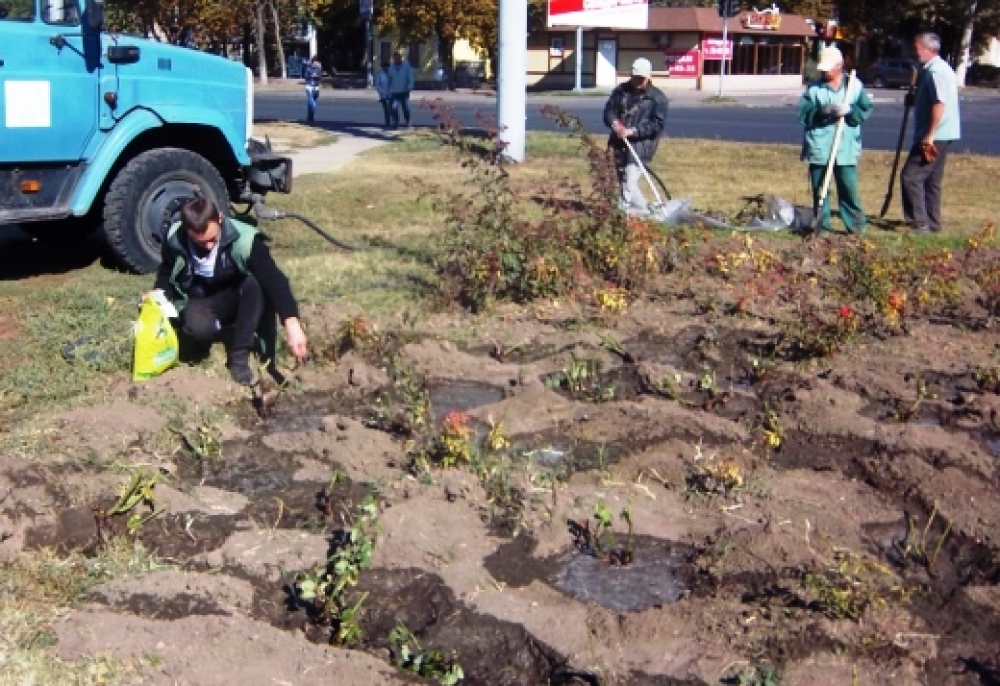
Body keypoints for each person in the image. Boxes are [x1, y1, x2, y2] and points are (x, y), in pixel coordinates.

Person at [150, 196, 308, 386]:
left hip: (238, 294)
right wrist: (158, 294)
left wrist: (291, 323)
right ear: (187, 230)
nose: (208, 246)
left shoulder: (246, 240)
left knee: (254, 284)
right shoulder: (175, 238)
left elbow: (275, 280)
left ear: (220, 218)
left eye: (212, 239)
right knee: (197, 329)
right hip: (201, 297)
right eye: (200, 242)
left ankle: (239, 354)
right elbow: (167, 271)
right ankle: (216, 330)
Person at [797, 45, 874, 234]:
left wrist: (850, 112)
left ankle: (856, 228)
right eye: (822, 69)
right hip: (820, 146)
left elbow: (865, 109)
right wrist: (821, 112)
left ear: (839, 66)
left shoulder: (854, 86)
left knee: (848, 188)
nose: (825, 72)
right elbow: (803, 113)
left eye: (828, 69)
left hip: (845, 147)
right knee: (820, 189)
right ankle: (822, 227)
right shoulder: (814, 88)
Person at [900, 32, 961, 234]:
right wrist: (915, 98)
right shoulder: (934, 69)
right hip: (943, 133)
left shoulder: (936, 72)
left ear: (929, 49)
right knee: (932, 180)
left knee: (911, 177)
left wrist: (930, 134)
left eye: (917, 48)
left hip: (936, 134)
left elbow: (939, 103)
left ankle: (919, 224)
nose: (915, 52)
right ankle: (933, 223)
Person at [602, 57, 669, 215]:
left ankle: (621, 215)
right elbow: (608, 111)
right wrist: (615, 124)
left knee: (629, 180)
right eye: (635, 77)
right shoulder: (621, 91)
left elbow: (657, 125)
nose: (637, 81)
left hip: (641, 146)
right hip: (619, 143)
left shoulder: (658, 98)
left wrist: (633, 131)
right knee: (623, 179)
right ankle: (644, 211)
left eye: (641, 78)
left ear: (648, 77)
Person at [388, 50, 415, 129]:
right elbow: (389, 79)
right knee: (394, 107)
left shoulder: (406, 66)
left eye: (398, 57)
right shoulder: (391, 67)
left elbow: (410, 77)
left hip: (404, 91)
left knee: (405, 107)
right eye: (395, 57)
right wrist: (388, 90)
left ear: (400, 57)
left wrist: (410, 86)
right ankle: (395, 122)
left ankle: (408, 121)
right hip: (394, 91)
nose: (396, 59)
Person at [304, 55, 322, 123]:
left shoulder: (309, 68)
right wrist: (315, 76)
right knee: (312, 102)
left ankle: (310, 116)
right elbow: (320, 78)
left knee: (311, 102)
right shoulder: (319, 68)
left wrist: (313, 76)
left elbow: (306, 76)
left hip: (311, 86)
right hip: (314, 86)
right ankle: (310, 116)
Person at [376, 60, 392, 128]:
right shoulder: (379, 75)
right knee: (386, 110)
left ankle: (394, 122)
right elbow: (377, 85)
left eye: (388, 67)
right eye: (385, 67)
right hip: (383, 95)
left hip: (391, 95)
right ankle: (387, 122)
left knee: (392, 109)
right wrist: (381, 92)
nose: (386, 68)